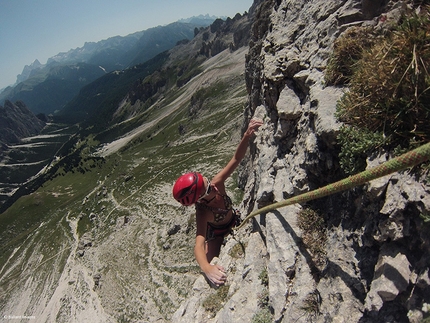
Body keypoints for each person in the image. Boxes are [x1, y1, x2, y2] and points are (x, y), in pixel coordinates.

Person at [172, 119, 263, 286]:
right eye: (208, 190)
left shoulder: (217, 182)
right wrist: (207, 268)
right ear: (199, 199)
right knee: (210, 273)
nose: (213, 186)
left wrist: (246, 136)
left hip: (235, 220)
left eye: (208, 181)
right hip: (216, 234)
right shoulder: (202, 211)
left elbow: (236, 159)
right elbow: (198, 244)